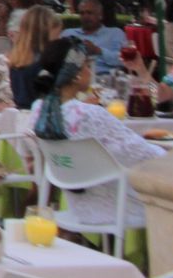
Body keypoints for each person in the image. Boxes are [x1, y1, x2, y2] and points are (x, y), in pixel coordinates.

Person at [30, 36, 163, 230]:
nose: (91, 71)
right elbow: (156, 98)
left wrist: (142, 71)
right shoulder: (88, 114)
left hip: (79, 206)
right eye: (87, 66)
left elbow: (158, 95)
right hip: (120, 206)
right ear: (75, 74)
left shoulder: (39, 110)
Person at [0, 5, 62, 118]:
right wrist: (8, 109)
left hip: (21, 120)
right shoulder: (2, 64)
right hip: (19, 121)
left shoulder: (20, 64)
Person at [73, 0, 125, 70]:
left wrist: (98, 51)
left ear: (100, 15)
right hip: (75, 78)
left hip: (105, 77)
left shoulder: (115, 33)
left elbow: (123, 60)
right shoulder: (69, 33)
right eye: (82, 13)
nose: (85, 16)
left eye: (89, 13)